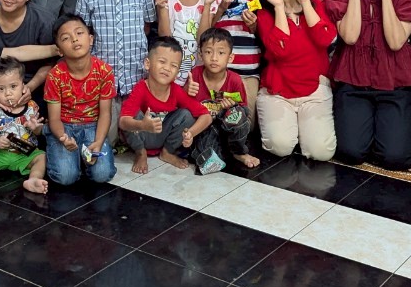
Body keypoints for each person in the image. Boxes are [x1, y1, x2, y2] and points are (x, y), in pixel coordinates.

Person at [324, 0, 411, 169]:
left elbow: (396, 41)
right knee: (351, 152)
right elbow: (349, 36)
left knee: (395, 157)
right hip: (353, 82)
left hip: (395, 84)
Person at [254, 0, 338, 162]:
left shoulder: (318, 4)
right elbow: (281, 50)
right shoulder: (264, 15)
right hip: (278, 91)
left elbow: (325, 39)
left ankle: (303, 129)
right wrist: (279, 7)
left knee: (321, 152)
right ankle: (295, 128)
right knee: (280, 146)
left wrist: (305, 1)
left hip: (314, 89)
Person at [75, 0, 158, 127]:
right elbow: (83, 33)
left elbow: (147, 27)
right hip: (102, 80)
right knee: (107, 135)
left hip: (136, 77)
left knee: (139, 133)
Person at [119, 37, 215, 174]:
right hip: (142, 135)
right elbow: (123, 122)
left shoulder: (176, 91)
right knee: (132, 115)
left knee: (186, 114)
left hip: (162, 136)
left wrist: (190, 133)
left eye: (173, 66)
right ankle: (140, 153)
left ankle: (167, 152)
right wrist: (142, 125)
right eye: (162, 62)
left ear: (177, 73)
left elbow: (206, 116)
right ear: (148, 63)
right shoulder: (140, 88)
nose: (167, 68)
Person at [44, 14, 118, 186]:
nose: (75, 39)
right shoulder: (55, 76)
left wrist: (98, 142)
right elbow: (54, 118)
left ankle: (81, 157)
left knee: (103, 174)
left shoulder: (104, 71)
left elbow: (105, 114)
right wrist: (63, 137)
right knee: (66, 177)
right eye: (66, 38)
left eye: (79, 33)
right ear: (60, 50)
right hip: (64, 126)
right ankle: (63, 151)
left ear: (90, 39)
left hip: (92, 125)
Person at [202, 0, 262, 118]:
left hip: (248, 68)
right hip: (218, 70)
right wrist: (221, 8)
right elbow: (204, 32)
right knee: (215, 118)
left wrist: (253, 25)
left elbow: (261, 32)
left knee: (245, 121)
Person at [186, 27, 259, 170]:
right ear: (200, 55)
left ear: (230, 58)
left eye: (221, 53)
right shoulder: (195, 75)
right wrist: (187, 91)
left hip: (227, 126)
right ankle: (223, 150)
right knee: (207, 158)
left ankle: (239, 152)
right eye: (208, 52)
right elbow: (182, 105)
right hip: (205, 128)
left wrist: (232, 107)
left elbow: (243, 111)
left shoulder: (235, 80)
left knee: (237, 114)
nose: (214, 58)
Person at [0, 56, 49, 195]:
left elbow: (41, 132)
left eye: (13, 87)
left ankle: (34, 179)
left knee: (42, 157)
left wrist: (36, 129)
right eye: (1, 89)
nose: (8, 93)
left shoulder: (33, 107)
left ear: (23, 86)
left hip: (26, 154)